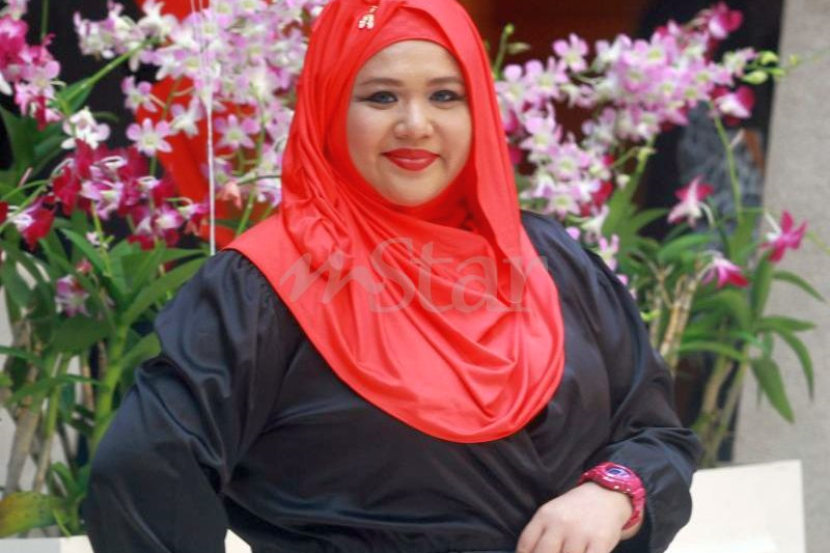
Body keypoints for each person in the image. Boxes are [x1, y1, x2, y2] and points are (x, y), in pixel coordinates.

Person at [81, 0, 703, 552]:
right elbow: (144, 471)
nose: (415, 124)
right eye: (381, 97)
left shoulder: (549, 261)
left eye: (445, 96)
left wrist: (612, 493)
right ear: (329, 106)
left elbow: (654, 433)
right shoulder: (263, 287)